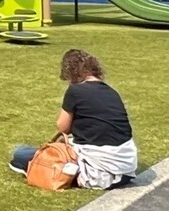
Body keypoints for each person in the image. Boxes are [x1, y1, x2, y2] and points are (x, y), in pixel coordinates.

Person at [9, 48, 138, 190]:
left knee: (21, 152)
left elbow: (62, 127)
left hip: (100, 168)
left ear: (70, 72)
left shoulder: (75, 91)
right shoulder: (111, 91)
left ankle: (70, 173)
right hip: (126, 167)